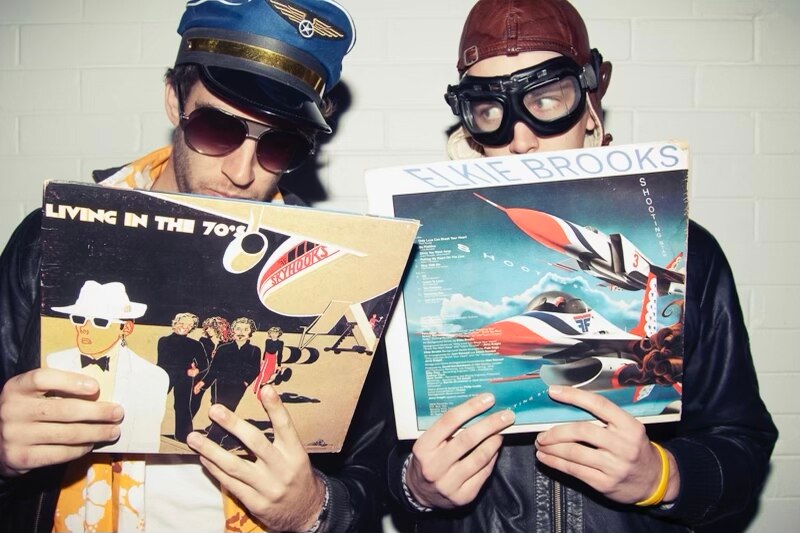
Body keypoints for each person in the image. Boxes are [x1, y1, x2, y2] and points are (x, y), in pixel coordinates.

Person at [0, 1, 393, 532]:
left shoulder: (339, 266)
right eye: (217, 128)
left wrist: (315, 509)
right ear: (173, 100)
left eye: (279, 145)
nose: (242, 171)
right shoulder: (48, 238)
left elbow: (375, 472)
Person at [388, 1, 778, 532]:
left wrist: (664, 477)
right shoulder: (411, 257)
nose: (521, 140)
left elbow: (741, 442)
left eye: (547, 99)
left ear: (591, 95)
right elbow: (372, 458)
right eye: (490, 110)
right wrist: (415, 485)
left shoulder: (689, 253)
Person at [47, 280, 169, 453]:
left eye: (100, 321)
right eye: (79, 319)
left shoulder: (152, 377)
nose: (84, 329)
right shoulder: (54, 362)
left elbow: (146, 445)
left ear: (126, 328)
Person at [195, 317, 262, 448]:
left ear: (251, 332)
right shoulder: (223, 348)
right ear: (233, 331)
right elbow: (213, 369)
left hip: (238, 386)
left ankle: (213, 440)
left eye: (245, 329)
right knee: (217, 408)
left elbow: (255, 370)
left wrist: (246, 382)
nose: (241, 332)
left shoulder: (255, 350)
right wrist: (203, 383)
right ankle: (220, 432)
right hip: (220, 384)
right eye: (238, 329)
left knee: (226, 411)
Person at [157, 312, 206, 442]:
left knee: (182, 406)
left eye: (189, 325)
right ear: (175, 323)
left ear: (192, 328)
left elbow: (204, 365)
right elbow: (162, 363)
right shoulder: (163, 341)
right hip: (164, 376)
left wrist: (196, 370)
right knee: (155, 402)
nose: (185, 327)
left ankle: (184, 436)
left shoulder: (195, 345)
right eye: (182, 323)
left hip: (184, 378)